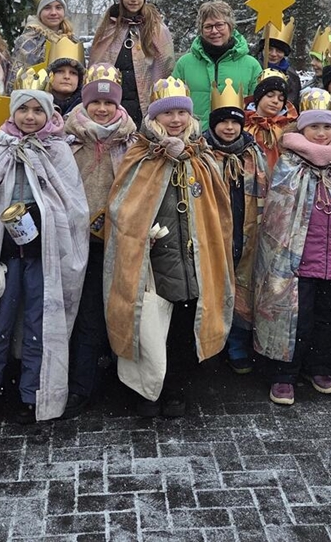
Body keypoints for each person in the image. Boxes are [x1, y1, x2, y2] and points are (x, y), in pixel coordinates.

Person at [0, 83, 89, 425]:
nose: (30, 117)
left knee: (38, 325)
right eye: (23, 110)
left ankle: (33, 394)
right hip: (4, 255)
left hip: (44, 255)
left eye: (37, 110)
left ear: (49, 114)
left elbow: (74, 206)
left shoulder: (59, 150)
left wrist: (47, 223)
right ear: (12, 114)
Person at [104, 77, 233, 418]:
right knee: (147, 327)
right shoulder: (141, 155)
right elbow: (121, 206)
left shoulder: (202, 157)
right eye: (167, 114)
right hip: (151, 260)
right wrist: (141, 229)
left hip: (193, 258)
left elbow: (215, 211)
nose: (175, 120)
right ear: (154, 119)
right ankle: (148, 390)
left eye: (181, 113)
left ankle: (176, 389)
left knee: (183, 327)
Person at [253, 88, 331, 406]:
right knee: (295, 317)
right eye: (315, 127)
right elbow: (277, 215)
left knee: (327, 317)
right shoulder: (289, 165)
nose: (322, 133)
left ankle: (319, 367)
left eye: (327, 127)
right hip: (298, 260)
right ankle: (285, 374)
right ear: (302, 129)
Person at [61, 65, 138, 418]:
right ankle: (80, 384)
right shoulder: (68, 140)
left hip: (121, 239)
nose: (103, 109)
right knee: (87, 313)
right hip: (79, 240)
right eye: (96, 102)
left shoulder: (131, 141)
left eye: (109, 102)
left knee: (121, 308)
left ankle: (118, 376)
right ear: (85, 103)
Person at [205, 78, 269, 376]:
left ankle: (238, 343)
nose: (229, 127)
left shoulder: (253, 153)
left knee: (244, 287)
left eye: (235, 121)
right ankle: (211, 343)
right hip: (215, 231)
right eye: (223, 122)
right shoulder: (203, 154)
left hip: (247, 230)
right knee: (214, 287)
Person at [87, 0, 176, 125]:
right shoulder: (108, 27)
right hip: (112, 107)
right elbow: (96, 66)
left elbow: (166, 68)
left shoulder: (157, 29)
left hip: (145, 108)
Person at [172, 0, 263, 126]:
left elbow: (259, 107)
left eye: (219, 25)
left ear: (230, 26)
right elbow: (173, 104)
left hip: (235, 137)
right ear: (201, 30)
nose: (214, 31)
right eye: (208, 27)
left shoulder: (251, 65)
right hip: (194, 138)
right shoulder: (184, 64)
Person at [7, 0, 84, 91]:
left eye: (58, 8)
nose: (53, 12)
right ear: (39, 12)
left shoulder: (73, 41)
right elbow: (16, 78)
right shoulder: (28, 42)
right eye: (47, 8)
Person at [243, 67, 298, 169]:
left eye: (281, 99)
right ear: (259, 97)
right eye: (270, 95)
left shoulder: (288, 128)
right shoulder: (244, 124)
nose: (275, 101)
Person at [253, 19, 302, 108]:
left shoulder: (292, 76)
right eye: (270, 49)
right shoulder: (253, 68)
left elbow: (294, 103)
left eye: (279, 51)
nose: (273, 54)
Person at [46, 37, 86, 116]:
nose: (67, 77)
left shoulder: (86, 108)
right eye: (60, 71)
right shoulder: (39, 105)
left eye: (73, 73)